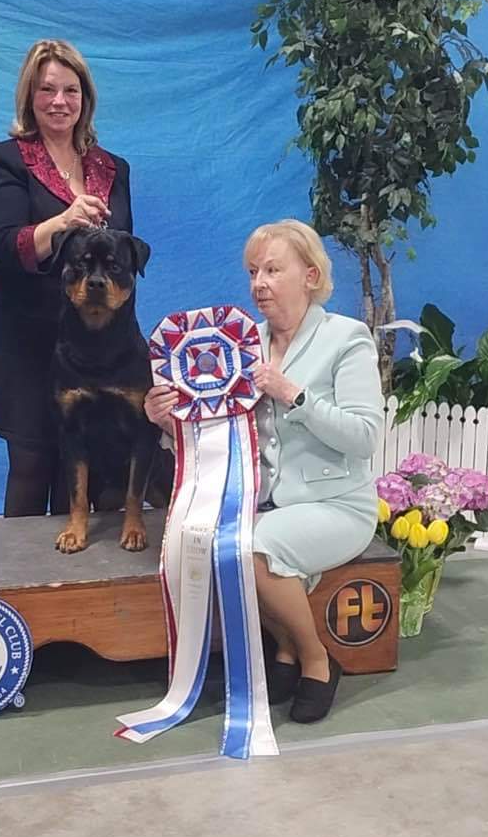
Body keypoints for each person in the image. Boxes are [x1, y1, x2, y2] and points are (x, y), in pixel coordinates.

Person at [144, 219, 384, 723]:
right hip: (265, 503)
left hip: (337, 504)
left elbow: (364, 437)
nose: (259, 283)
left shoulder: (347, 338)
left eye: (273, 270)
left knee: (250, 548)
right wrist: (169, 420)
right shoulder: (240, 341)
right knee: (210, 540)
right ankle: (286, 649)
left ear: (311, 276)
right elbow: (215, 432)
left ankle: (317, 660)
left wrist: (292, 393)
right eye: (253, 272)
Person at [0, 39, 133, 517]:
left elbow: (125, 256)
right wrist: (63, 220)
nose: (59, 101)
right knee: (32, 460)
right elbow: (6, 246)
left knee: (88, 458)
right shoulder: (3, 160)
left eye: (71, 90)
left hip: (94, 340)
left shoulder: (112, 168)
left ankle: (73, 560)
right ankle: (17, 567)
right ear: (30, 96)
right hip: (22, 334)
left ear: (86, 98)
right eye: (47, 90)